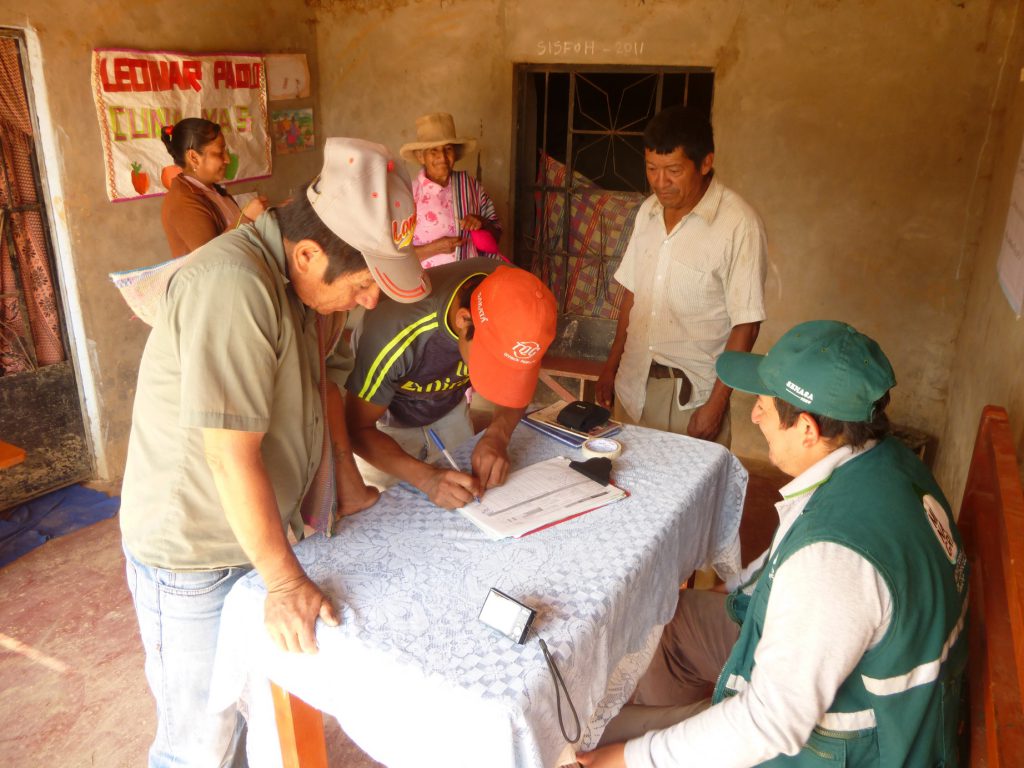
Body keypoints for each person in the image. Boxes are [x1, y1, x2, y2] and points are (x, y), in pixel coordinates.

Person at [118, 137, 430, 767]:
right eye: (365, 284)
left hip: (263, 534)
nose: (371, 300)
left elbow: (327, 386)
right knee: (200, 743)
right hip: (197, 553)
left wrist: (346, 486)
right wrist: (285, 580)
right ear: (309, 252)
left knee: (268, 720)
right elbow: (230, 456)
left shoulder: (310, 289)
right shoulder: (233, 284)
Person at [579, 320, 969, 768]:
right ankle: (680, 728)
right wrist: (730, 591)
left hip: (857, 746)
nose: (754, 415)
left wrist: (624, 759)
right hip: (875, 690)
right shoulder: (884, 459)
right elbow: (787, 556)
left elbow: (770, 722)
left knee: (595, 746)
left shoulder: (832, 561)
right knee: (672, 621)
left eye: (762, 404)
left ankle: (677, 734)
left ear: (806, 428)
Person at [595, 105, 767, 447]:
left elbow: (746, 324)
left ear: (705, 163)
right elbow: (634, 294)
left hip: (689, 399)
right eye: (652, 169)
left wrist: (717, 404)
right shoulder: (648, 212)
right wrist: (612, 365)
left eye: (673, 170)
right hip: (633, 385)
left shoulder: (738, 224)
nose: (661, 182)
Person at [345, 258, 556, 508]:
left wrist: (498, 434)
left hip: (450, 410)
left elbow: (518, 385)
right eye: (489, 362)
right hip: (386, 427)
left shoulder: (524, 303)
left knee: (463, 499)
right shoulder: (393, 332)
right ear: (463, 320)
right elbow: (358, 428)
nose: (497, 373)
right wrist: (426, 479)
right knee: (398, 515)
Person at [399, 112, 502, 268]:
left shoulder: (471, 186)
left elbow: (497, 234)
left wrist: (481, 222)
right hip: (429, 285)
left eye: (448, 149)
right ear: (421, 157)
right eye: (434, 150)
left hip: (468, 281)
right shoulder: (409, 194)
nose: (442, 157)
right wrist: (433, 249)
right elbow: (396, 254)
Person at [160, 117, 269, 257]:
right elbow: (210, 258)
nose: (227, 160)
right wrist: (246, 218)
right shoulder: (182, 201)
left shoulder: (210, 189)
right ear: (193, 157)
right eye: (219, 153)